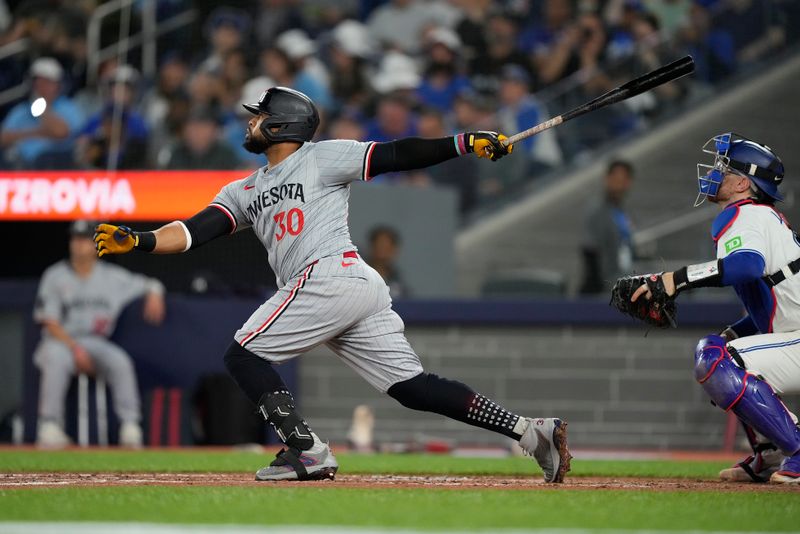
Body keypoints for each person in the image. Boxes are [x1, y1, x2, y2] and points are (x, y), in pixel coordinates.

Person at [94, 86, 571, 483]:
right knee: (412, 387)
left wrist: (463, 142)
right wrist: (139, 240)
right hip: (347, 284)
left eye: (259, 115)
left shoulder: (321, 158)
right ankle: (530, 432)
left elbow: (396, 154)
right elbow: (195, 231)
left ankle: (306, 450)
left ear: (282, 123)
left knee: (243, 354)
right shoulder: (242, 190)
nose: (250, 122)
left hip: (329, 274)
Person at [627, 133, 800, 484]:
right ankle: (770, 453)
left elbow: (746, 267)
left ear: (741, 183)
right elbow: (776, 307)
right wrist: (736, 332)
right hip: (793, 333)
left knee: (717, 358)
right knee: (722, 350)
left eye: (724, 167)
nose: (714, 172)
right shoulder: (759, 216)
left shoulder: (746, 214)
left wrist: (675, 279)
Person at [33, 220, 166, 448]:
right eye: (75, 238)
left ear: (96, 244)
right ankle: (49, 425)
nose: (79, 244)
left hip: (96, 343)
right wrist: (75, 349)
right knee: (55, 358)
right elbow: (49, 323)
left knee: (120, 361)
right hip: (61, 341)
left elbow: (150, 284)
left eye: (85, 239)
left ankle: (130, 426)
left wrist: (155, 293)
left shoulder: (113, 277)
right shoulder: (54, 276)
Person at [0, 57, 83, 169]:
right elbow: (3, 138)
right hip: (20, 164)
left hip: (56, 164)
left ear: (57, 85)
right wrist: (38, 132)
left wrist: (42, 110)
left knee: (47, 159)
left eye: (47, 82)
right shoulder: (21, 109)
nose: (41, 86)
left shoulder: (68, 107)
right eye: (37, 82)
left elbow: (61, 133)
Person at [580, 160, 636, 294]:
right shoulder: (598, 211)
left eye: (623, 180)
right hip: (606, 287)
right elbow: (591, 251)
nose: (619, 185)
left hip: (624, 281)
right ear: (607, 179)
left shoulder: (623, 212)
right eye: (616, 179)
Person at [366, 226, 409, 299]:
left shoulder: (398, 281)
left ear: (394, 250)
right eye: (379, 245)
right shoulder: (360, 275)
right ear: (371, 247)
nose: (382, 251)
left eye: (386, 247)